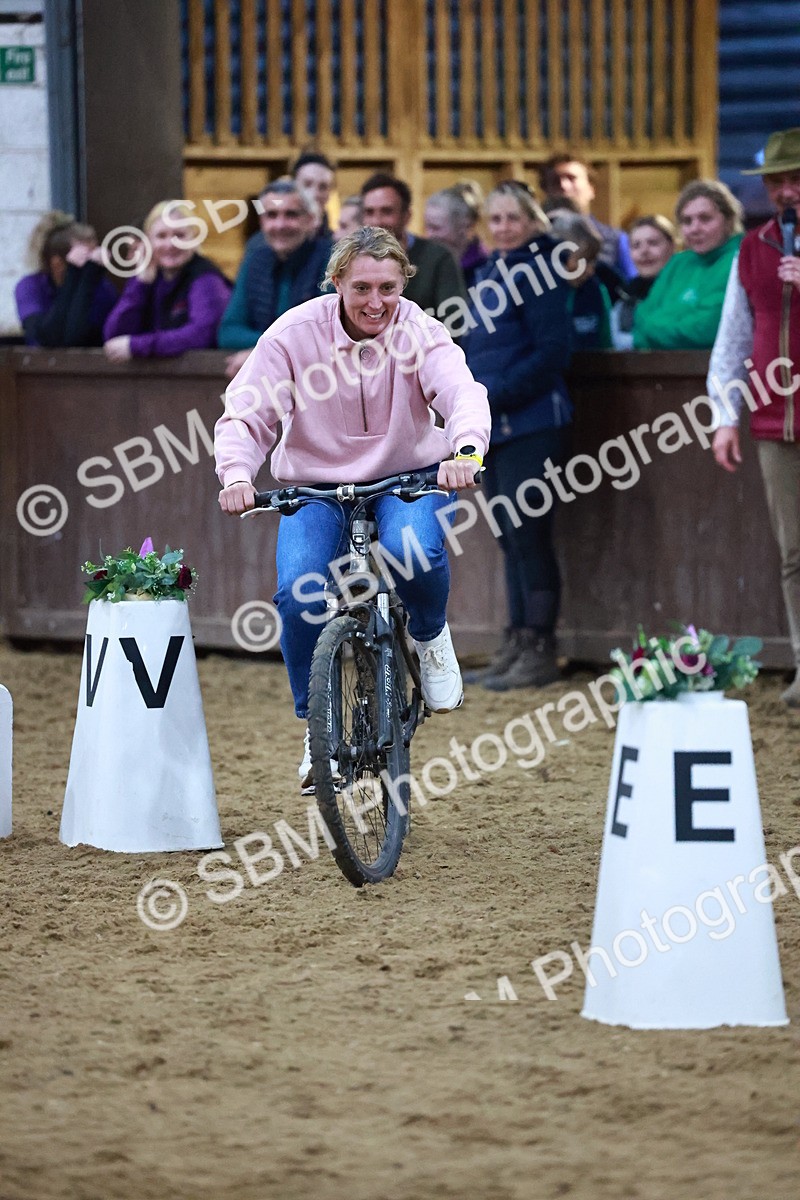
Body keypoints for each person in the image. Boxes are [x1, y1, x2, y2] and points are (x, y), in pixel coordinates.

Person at [214, 227, 490, 786]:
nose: (376, 303)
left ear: (403, 284)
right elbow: (247, 411)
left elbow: (461, 391)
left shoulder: (420, 330)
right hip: (315, 487)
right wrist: (237, 473)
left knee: (412, 548)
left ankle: (431, 638)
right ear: (336, 280)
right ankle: (316, 728)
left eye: (388, 288)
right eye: (362, 287)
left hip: (409, 478)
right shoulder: (293, 334)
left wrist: (465, 450)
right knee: (298, 594)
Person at [463, 181, 574, 690]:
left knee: (530, 535)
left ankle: (540, 646)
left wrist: (496, 393)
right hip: (496, 427)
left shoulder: (542, 273)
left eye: (513, 218)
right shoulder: (487, 271)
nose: (504, 227)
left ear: (533, 222)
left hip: (532, 423)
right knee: (508, 536)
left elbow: (552, 351)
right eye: (496, 219)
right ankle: (515, 640)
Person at [708, 128, 800, 707]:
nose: (787, 192)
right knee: (793, 553)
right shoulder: (753, 247)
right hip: (774, 420)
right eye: (778, 181)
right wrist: (724, 413)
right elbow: (734, 335)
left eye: (795, 180)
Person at [218, 179, 331, 377]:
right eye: (271, 215)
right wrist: (272, 347)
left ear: (311, 219)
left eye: (291, 214)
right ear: (262, 222)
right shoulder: (255, 260)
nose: (280, 224)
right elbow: (228, 331)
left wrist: (264, 350)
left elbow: (325, 334)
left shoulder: (332, 260)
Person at [102, 201, 231, 362]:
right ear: (148, 241)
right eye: (161, 236)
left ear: (195, 238)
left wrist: (138, 346)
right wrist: (140, 283)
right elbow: (114, 337)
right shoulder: (148, 279)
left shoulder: (206, 279)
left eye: (180, 235)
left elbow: (202, 334)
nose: (170, 244)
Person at [633, 180, 744, 350]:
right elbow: (641, 318)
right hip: (662, 370)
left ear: (729, 220)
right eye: (686, 221)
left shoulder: (741, 260)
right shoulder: (678, 262)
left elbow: (707, 329)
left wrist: (654, 327)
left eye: (705, 218)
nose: (694, 228)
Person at [360, 172, 467, 315]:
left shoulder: (439, 258)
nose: (377, 221)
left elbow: (454, 321)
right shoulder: (353, 260)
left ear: (407, 216)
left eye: (386, 211)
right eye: (369, 212)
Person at [15, 211, 117, 347]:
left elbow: (80, 336)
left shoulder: (102, 288)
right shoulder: (30, 286)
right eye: (87, 259)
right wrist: (73, 275)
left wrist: (88, 279)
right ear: (57, 263)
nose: (91, 266)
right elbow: (48, 336)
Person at [540, 155, 636, 280]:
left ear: (591, 189)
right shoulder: (537, 240)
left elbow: (632, 286)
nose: (564, 186)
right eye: (555, 181)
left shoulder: (616, 240)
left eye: (571, 178)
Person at [549, 212, 613, 351]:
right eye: (582, 261)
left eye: (592, 261)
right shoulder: (536, 293)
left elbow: (606, 344)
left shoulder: (595, 290)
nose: (590, 270)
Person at [610, 215, 676, 349]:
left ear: (672, 246)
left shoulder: (686, 293)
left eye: (653, 243)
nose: (644, 251)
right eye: (636, 246)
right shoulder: (623, 301)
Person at [424, 182, 489, 289]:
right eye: (427, 227)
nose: (429, 235)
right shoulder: (425, 266)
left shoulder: (486, 271)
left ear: (464, 225)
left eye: (436, 228)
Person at [292, 151, 336, 236]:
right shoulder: (269, 241)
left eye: (323, 187)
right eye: (307, 185)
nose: (315, 194)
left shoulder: (337, 244)